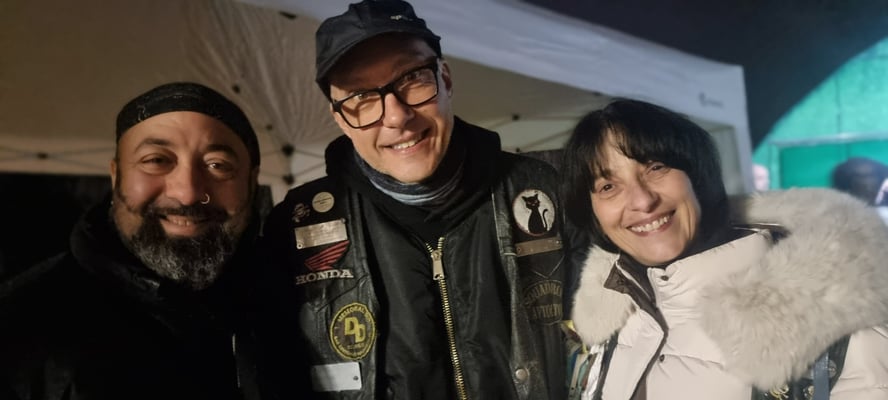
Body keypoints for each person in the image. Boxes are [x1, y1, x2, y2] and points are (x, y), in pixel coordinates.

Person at [258, 1, 583, 398]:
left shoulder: (544, 191)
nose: (396, 116)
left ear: (444, 79)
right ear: (340, 117)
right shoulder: (296, 226)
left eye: (412, 78)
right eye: (361, 96)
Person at [560, 98, 888, 400]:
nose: (642, 201)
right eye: (608, 186)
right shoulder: (611, 318)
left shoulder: (833, 323)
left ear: (697, 174)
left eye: (655, 167)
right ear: (592, 212)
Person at [0, 82, 271, 400]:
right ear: (116, 176)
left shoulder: (291, 303)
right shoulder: (19, 327)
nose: (187, 192)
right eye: (156, 160)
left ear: (252, 181)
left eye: (218, 165)